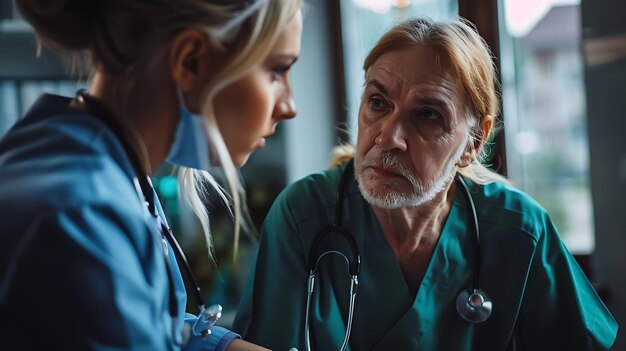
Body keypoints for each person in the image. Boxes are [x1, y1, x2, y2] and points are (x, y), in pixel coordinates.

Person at [233, 17, 618, 350]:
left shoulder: (519, 231)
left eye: (428, 115)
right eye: (378, 103)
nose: (389, 138)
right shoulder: (303, 216)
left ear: (474, 142)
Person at [0, 0, 302, 350]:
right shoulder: (82, 216)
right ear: (191, 60)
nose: (289, 106)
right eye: (277, 71)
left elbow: (150, 322)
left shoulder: (106, 169)